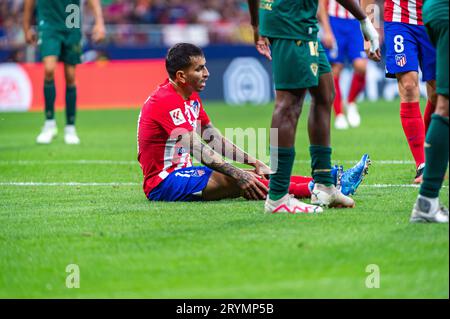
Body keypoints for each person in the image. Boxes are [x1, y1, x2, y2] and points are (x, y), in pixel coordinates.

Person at [137, 43, 371, 212]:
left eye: (205, 67)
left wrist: (253, 162)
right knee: (232, 180)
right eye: (199, 69)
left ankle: (324, 183)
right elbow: (199, 149)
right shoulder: (165, 101)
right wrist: (239, 174)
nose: (207, 73)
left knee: (258, 173)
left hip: (182, 173)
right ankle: (319, 187)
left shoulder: (189, 96)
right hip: (163, 182)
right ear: (181, 76)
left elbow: (213, 138)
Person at [246, 0, 380, 213]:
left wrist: (256, 23)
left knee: (324, 93)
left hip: (296, 21)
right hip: (291, 20)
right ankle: (278, 197)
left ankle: (324, 185)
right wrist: (363, 18)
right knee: (289, 103)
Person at [23, 0, 106, 145]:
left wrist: (99, 22)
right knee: (49, 69)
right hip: (48, 25)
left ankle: (70, 128)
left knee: (70, 76)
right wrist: (26, 26)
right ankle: (49, 124)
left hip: (71, 24)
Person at [384, 0, 438, 183]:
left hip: (434, 19)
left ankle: (432, 154)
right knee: (408, 87)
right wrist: (369, 25)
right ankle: (422, 164)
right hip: (399, 20)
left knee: (438, 94)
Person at [410, 0, 448, 223]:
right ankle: (280, 191)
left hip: (434, 11)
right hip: (292, 33)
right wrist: (367, 21)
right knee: (286, 103)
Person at [319, 0, 368, 130]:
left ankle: (351, 102)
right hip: (334, 21)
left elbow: (368, 2)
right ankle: (339, 114)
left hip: (356, 22)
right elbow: (321, 4)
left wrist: (372, 26)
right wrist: (326, 30)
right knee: (335, 68)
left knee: (361, 66)